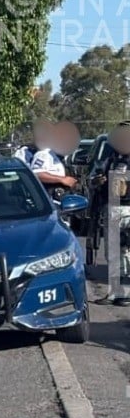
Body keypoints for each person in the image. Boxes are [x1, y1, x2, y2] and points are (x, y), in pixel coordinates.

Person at [94, 122, 130, 305]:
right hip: (112, 207)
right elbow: (100, 176)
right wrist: (100, 181)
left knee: (125, 251)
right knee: (114, 252)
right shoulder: (113, 156)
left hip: (125, 208)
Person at [32, 122, 78, 194]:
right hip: (49, 197)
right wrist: (62, 179)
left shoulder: (65, 157)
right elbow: (37, 174)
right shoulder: (44, 154)